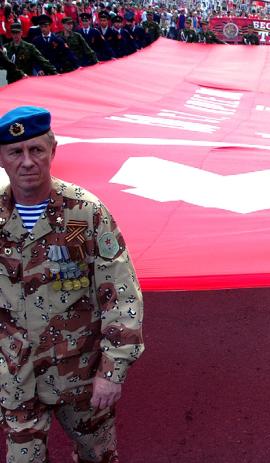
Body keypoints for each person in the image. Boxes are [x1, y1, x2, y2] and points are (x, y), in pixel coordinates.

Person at [0, 106, 145, 462]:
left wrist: (112, 372)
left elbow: (121, 294)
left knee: (97, 455)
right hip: (16, 379)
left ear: (53, 150)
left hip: (79, 379)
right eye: (16, 152)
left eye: (36, 150)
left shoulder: (85, 212)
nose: (27, 161)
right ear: (1, 159)